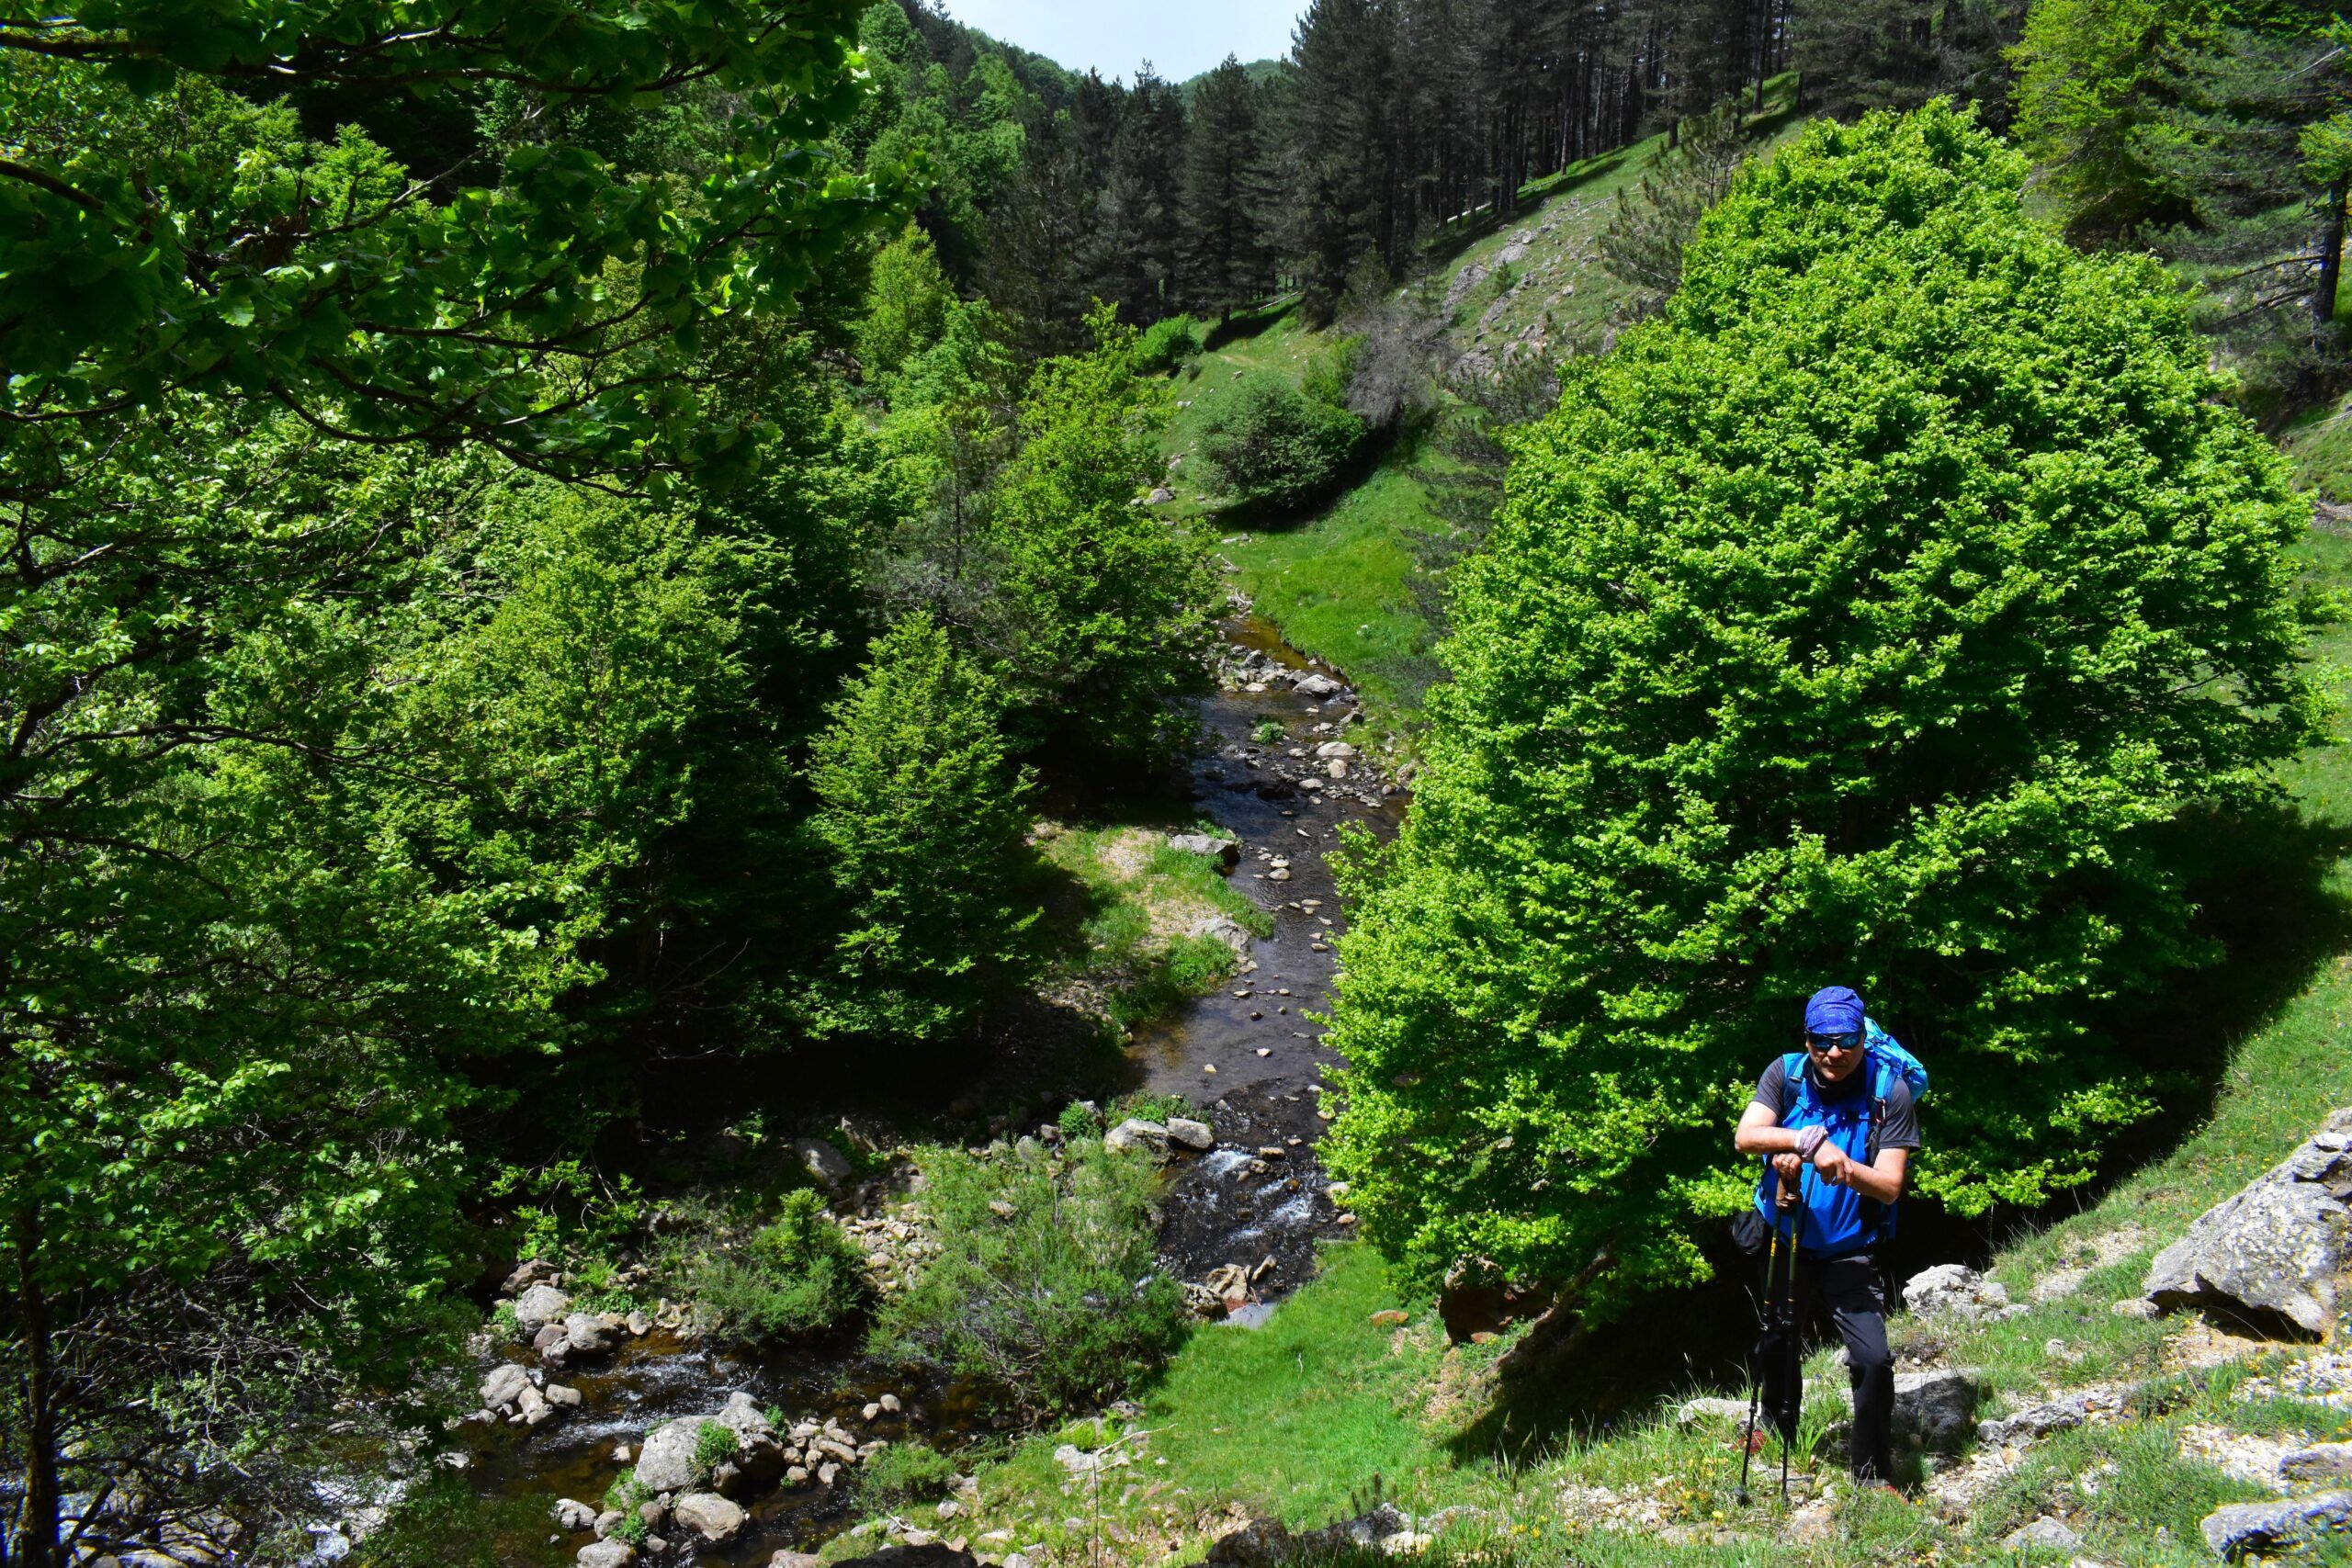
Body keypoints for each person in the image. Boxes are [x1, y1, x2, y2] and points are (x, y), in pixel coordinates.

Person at [1733, 984, 1920, 1485]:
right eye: (1821, 1041)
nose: (1834, 1053)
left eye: (1846, 1040)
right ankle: (1776, 1423)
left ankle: (1872, 1473)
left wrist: (1846, 1167)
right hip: (1783, 1232)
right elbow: (1747, 1135)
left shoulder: (1889, 1091)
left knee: (1873, 1359)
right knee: (1777, 1337)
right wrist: (1804, 1144)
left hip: (1848, 1248)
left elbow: (1889, 1187)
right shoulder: (1786, 1073)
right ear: (1807, 1039)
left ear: (1864, 1038)